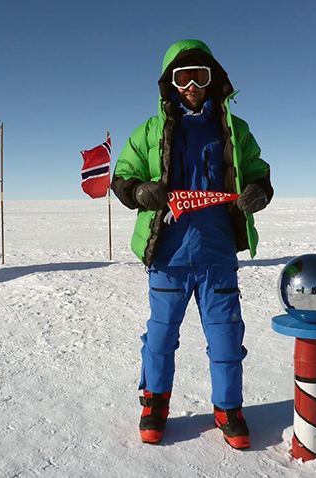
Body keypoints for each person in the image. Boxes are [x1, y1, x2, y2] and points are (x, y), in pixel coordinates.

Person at [112, 39, 273, 449]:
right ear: (170, 83)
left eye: (199, 76)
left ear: (212, 79)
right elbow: (122, 174)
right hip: (168, 253)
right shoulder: (149, 131)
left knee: (226, 336)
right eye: (182, 77)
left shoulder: (235, 131)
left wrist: (260, 189)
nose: (191, 86)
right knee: (161, 336)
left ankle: (228, 408)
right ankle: (154, 404)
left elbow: (256, 169)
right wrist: (138, 191)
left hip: (217, 253)